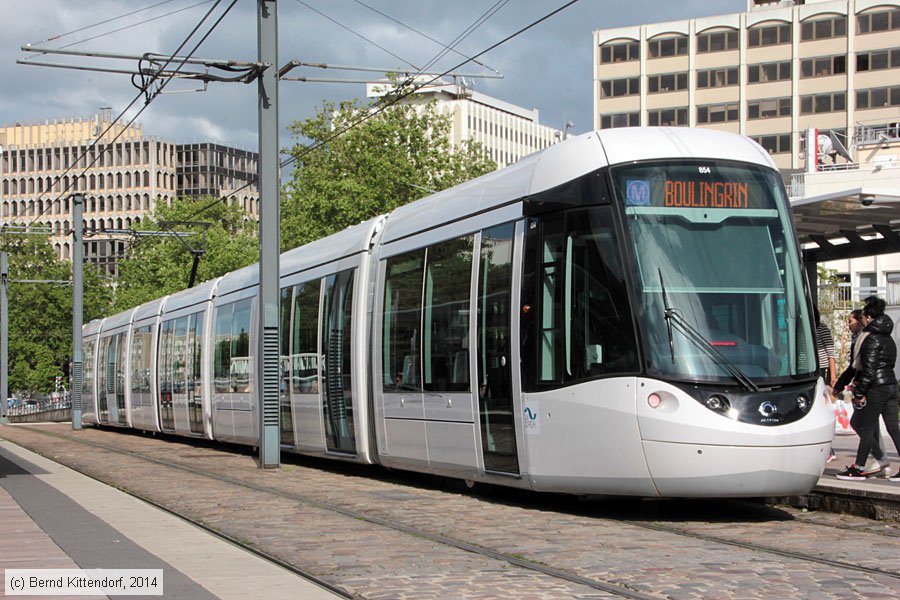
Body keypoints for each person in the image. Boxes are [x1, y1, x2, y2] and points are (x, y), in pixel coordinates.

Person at [836, 297, 900, 480]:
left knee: (867, 427)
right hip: (890, 385)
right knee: (893, 428)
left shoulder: (870, 339)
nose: (862, 320)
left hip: (876, 388)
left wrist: (859, 392)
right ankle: (865, 466)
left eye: (863, 316)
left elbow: (869, 370)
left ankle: (859, 468)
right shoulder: (888, 338)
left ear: (869, 318)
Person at [832, 308, 887, 470]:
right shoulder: (864, 338)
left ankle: (877, 460)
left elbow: (860, 367)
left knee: (866, 424)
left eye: (851, 321)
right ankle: (880, 459)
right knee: (868, 424)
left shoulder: (865, 339)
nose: (849, 325)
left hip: (869, 387)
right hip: (869, 385)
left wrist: (857, 387)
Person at [814, 306, 837, 388]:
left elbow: (831, 354)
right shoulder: (799, 330)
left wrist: (833, 378)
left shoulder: (822, 329)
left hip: (821, 368)